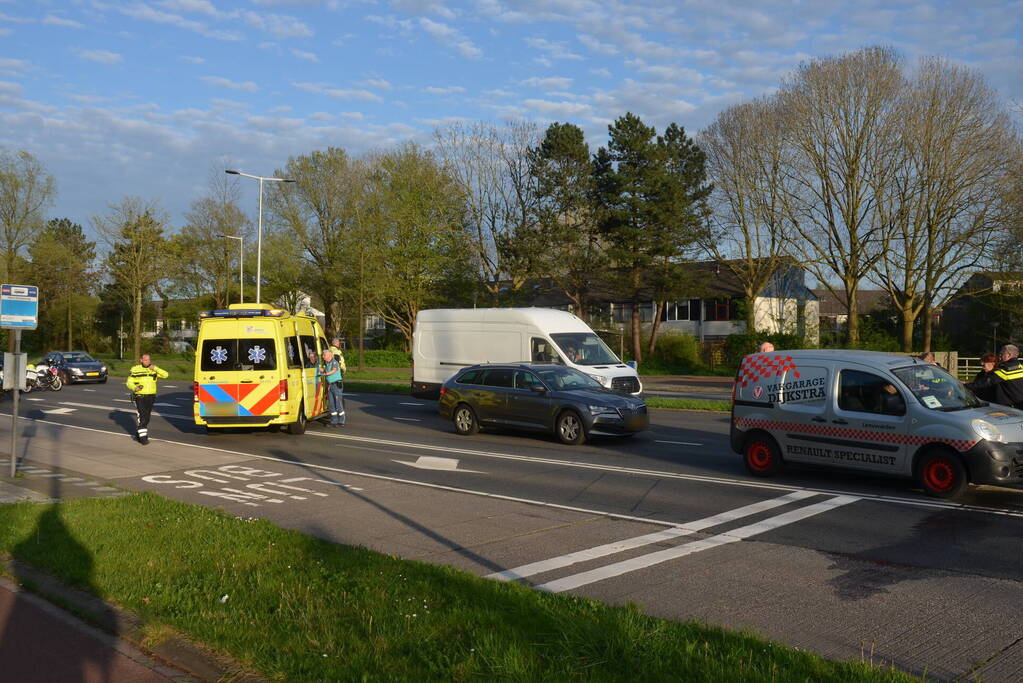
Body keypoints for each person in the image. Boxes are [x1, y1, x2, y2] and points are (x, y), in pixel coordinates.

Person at [125, 353, 168, 445]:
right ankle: (143, 438)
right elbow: (129, 382)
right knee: (142, 416)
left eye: (149, 360)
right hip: (139, 396)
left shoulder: (153, 369)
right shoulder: (135, 369)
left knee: (147, 417)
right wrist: (134, 388)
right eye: (145, 360)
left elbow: (166, 375)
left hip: (151, 396)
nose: (147, 361)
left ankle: (139, 433)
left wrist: (155, 368)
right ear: (141, 360)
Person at [967, 344, 1023, 408]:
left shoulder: (1004, 371)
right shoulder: (1021, 366)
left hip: (1010, 408)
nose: (1000, 356)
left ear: (1009, 355)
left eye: (1001, 354)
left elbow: (984, 383)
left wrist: (963, 386)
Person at [318, 349, 345, 426]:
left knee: (338, 403)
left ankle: (341, 420)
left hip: (336, 385)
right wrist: (317, 368)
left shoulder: (334, 362)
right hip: (330, 385)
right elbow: (323, 370)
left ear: (329, 355)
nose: (323, 357)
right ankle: (334, 420)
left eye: (324, 355)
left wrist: (325, 374)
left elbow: (334, 370)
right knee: (331, 404)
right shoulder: (327, 364)